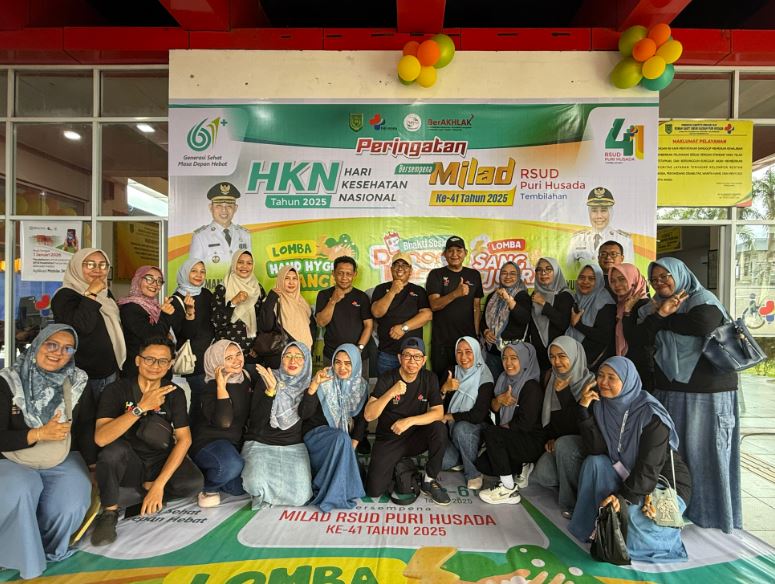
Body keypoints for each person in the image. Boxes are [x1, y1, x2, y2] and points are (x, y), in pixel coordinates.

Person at [635, 257, 740, 533]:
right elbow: (641, 335)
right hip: (671, 390)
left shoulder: (702, 298)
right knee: (674, 457)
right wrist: (660, 314)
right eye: (654, 279)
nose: (660, 282)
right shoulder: (653, 306)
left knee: (706, 455)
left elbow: (703, 323)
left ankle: (711, 516)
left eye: (665, 276)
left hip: (708, 393)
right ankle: (676, 510)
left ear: (680, 274)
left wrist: (663, 317)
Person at [569, 357, 692, 563]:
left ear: (627, 381)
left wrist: (622, 498)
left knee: (631, 527)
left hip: (662, 483)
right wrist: (583, 409)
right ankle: (592, 526)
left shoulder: (651, 415)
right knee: (595, 463)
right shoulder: (602, 406)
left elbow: (648, 470)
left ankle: (631, 532)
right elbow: (597, 449)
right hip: (626, 474)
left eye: (611, 377)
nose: (603, 382)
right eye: (600, 376)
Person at [0, 325, 93, 580]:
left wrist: (93, 465)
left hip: (59, 456)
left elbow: (85, 427)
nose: (58, 352)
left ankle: (48, 549)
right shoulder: (8, 381)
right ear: (37, 345)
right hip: (10, 458)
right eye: (51, 344)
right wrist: (38, 434)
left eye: (67, 348)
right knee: (21, 489)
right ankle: (14, 555)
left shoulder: (77, 382)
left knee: (73, 499)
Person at [90, 337, 203, 546]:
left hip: (158, 457)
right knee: (111, 453)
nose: (155, 365)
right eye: (149, 359)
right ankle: (110, 512)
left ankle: (148, 490)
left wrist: (159, 484)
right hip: (128, 459)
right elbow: (101, 438)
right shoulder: (116, 390)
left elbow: (184, 439)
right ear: (138, 360)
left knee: (193, 483)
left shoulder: (174, 393)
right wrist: (141, 408)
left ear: (170, 365)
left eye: (162, 361)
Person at [363, 337, 449, 505]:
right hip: (389, 439)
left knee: (439, 428)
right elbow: (368, 415)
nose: (412, 361)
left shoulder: (429, 378)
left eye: (417, 356)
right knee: (374, 490)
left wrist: (409, 421)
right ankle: (398, 465)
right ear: (399, 358)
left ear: (423, 360)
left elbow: (439, 412)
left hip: (415, 437)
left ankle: (429, 480)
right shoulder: (388, 378)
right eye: (407, 355)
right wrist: (391, 392)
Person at [242, 343, 314, 509]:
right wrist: (271, 391)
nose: (293, 360)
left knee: (301, 497)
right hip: (261, 443)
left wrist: (312, 390)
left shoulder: (309, 385)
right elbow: (257, 421)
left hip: (293, 446)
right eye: (288, 355)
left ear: (306, 361)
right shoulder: (268, 378)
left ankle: (273, 496)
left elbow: (306, 414)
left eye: (298, 356)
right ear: (281, 359)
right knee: (254, 484)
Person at [530, 336, 594, 518]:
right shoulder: (552, 379)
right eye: (552, 356)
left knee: (565, 446)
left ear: (574, 356)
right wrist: (552, 438)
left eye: (562, 356)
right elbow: (551, 419)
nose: (556, 362)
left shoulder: (590, 384)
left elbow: (579, 423)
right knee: (542, 474)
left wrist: (564, 393)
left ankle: (572, 504)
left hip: (586, 444)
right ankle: (574, 480)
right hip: (561, 441)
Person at [302, 344, 369, 512]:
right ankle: (333, 497)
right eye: (338, 362)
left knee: (360, 475)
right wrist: (314, 386)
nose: (342, 367)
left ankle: (331, 487)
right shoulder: (323, 379)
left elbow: (362, 420)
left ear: (356, 364)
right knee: (341, 438)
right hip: (316, 436)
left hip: (342, 440)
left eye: (348, 363)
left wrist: (352, 445)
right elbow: (304, 414)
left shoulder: (361, 386)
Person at [52, 248, 126, 397]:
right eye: (90, 264)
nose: (97, 270)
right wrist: (91, 293)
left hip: (110, 369)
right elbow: (82, 327)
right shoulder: (64, 295)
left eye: (103, 265)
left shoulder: (104, 293)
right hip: (83, 374)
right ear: (77, 266)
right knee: (87, 413)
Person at [476, 342, 543, 505]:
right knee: (483, 464)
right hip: (513, 438)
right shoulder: (503, 380)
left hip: (530, 441)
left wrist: (498, 433)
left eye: (514, 358)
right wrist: (499, 400)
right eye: (505, 358)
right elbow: (493, 409)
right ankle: (522, 466)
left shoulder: (531, 386)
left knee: (492, 433)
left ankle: (508, 488)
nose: (508, 363)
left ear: (524, 360)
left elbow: (525, 424)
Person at [190, 340, 253, 508]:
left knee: (240, 488)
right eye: (228, 358)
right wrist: (221, 387)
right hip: (209, 443)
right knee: (231, 466)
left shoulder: (245, 377)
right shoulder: (210, 386)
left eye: (238, 354)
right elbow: (224, 423)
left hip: (233, 443)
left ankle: (219, 473)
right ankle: (207, 486)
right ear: (217, 361)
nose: (237, 360)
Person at [426, 236, 484, 384]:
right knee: (442, 383)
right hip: (442, 343)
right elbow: (434, 305)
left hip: (467, 344)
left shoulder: (474, 275)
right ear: (445, 254)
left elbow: (476, 307)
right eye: (450, 250)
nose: (454, 254)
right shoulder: (436, 274)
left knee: (467, 383)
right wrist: (455, 294)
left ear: (465, 253)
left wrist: (476, 335)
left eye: (459, 250)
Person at [440, 336, 495, 491]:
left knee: (461, 429)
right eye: (459, 352)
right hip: (451, 429)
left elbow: (478, 415)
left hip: (475, 427)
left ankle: (473, 473)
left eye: (468, 351)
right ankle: (465, 455)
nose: (463, 357)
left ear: (476, 352)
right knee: (443, 462)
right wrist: (444, 389)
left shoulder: (484, 376)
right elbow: (435, 403)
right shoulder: (452, 371)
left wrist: (450, 416)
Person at [169, 258, 215, 426]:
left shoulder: (206, 294)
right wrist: (190, 314)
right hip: (193, 359)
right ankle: (193, 433)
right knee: (199, 399)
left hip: (211, 356)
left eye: (202, 271)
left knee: (209, 398)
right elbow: (184, 334)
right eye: (194, 271)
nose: (198, 275)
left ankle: (201, 432)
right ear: (185, 273)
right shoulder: (176, 299)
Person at [370, 252, 432, 375]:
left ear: (410, 270)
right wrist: (392, 291)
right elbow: (376, 313)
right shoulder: (381, 289)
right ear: (391, 269)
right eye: (397, 264)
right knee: (386, 387)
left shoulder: (418, 290)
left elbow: (427, 315)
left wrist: (404, 328)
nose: (400, 268)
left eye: (405, 265)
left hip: (413, 356)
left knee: (414, 387)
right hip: (387, 354)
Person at [315, 256, 373, 374]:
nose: (344, 278)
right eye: (340, 273)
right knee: (329, 386)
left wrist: (359, 348)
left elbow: (368, 325)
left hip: (358, 356)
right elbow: (321, 322)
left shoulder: (362, 297)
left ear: (355, 274)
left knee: (360, 386)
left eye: (348, 274)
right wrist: (333, 300)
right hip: (331, 355)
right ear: (333, 273)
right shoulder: (324, 295)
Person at [189, 182, 252, 284]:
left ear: (235, 208)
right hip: (212, 291)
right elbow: (194, 271)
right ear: (211, 207)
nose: (224, 210)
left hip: (240, 290)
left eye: (229, 206)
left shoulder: (245, 235)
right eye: (218, 205)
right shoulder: (200, 236)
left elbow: (249, 268)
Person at [118, 266, 174, 379]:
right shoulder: (130, 307)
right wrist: (165, 316)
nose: (155, 284)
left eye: (159, 281)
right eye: (149, 278)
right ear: (138, 279)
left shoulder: (154, 307)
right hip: (139, 372)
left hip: (156, 369)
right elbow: (153, 337)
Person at [480, 261, 531, 380]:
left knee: (514, 385)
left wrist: (508, 299)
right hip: (493, 352)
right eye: (504, 273)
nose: (508, 276)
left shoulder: (522, 295)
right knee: (494, 384)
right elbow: (483, 320)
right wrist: (486, 331)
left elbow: (524, 319)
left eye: (512, 273)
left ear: (518, 276)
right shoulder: (493, 296)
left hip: (514, 353)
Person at [211, 250, 265, 359]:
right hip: (227, 354)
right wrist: (233, 302)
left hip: (252, 354)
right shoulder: (222, 288)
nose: (245, 266)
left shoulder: (257, 289)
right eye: (240, 262)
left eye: (249, 263)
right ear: (234, 263)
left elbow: (263, 321)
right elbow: (217, 322)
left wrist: (258, 347)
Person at [259, 265, 314, 369]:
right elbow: (266, 326)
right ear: (280, 280)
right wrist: (271, 298)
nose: (291, 282)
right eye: (287, 278)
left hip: (303, 356)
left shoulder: (303, 303)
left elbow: (311, 330)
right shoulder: (273, 300)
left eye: (294, 278)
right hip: (280, 358)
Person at [567, 188, 634, 269]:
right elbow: (569, 270)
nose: (599, 216)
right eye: (594, 211)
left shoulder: (624, 240)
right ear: (589, 213)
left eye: (603, 211)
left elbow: (628, 272)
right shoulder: (577, 239)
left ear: (610, 213)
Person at [566, 263, 616, 370]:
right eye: (582, 277)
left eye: (592, 278)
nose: (585, 281)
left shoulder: (605, 302)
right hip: (573, 360)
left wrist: (578, 325)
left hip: (594, 365)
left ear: (599, 281)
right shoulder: (576, 299)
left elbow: (604, 336)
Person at [528, 257, 574, 373]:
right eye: (539, 270)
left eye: (548, 269)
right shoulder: (535, 294)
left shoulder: (565, 295)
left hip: (558, 355)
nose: (543, 273)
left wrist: (544, 304)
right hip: (537, 355)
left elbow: (563, 324)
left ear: (556, 272)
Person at [608, 263, 651, 385]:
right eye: (613, 281)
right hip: (627, 365)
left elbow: (635, 338)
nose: (617, 285)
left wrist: (627, 312)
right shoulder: (620, 304)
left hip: (642, 368)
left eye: (622, 279)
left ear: (634, 279)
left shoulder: (645, 305)